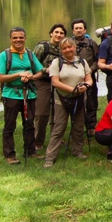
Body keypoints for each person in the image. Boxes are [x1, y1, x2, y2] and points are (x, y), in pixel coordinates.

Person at [0, 27, 44, 165]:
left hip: (29, 94)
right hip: (11, 95)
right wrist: (18, 74)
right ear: (10, 39)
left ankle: (31, 151)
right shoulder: (5, 55)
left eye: (21, 37)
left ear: (25, 38)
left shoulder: (29, 54)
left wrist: (31, 76)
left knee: (29, 124)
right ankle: (10, 155)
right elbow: (0, 78)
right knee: (10, 126)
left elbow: (40, 72)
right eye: (15, 37)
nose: (18, 40)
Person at [44, 37, 93, 168]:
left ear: (74, 47)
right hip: (61, 98)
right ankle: (50, 157)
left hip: (80, 98)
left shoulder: (82, 62)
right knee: (59, 127)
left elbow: (89, 79)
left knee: (78, 126)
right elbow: (55, 82)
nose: (67, 50)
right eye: (64, 48)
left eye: (69, 47)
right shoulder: (56, 62)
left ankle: (77, 151)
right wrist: (73, 89)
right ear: (61, 50)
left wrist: (86, 86)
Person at [33, 23, 67, 150]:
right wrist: (46, 70)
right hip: (43, 83)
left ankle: (56, 139)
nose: (58, 35)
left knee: (58, 113)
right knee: (41, 113)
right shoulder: (42, 47)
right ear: (51, 33)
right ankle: (38, 142)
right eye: (56, 32)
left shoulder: (64, 49)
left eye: (61, 33)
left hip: (59, 83)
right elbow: (33, 65)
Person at [71, 18, 100, 137]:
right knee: (76, 102)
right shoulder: (68, 43)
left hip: (90, 76)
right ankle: (77, 127)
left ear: (85, 30)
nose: (78, 30)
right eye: (76, 28)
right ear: (73, 31)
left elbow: (97, 60)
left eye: (80, 28)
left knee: (91, 102)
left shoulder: (91, 43)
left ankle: (91, 126)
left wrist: (91, 70)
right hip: (73, 77)